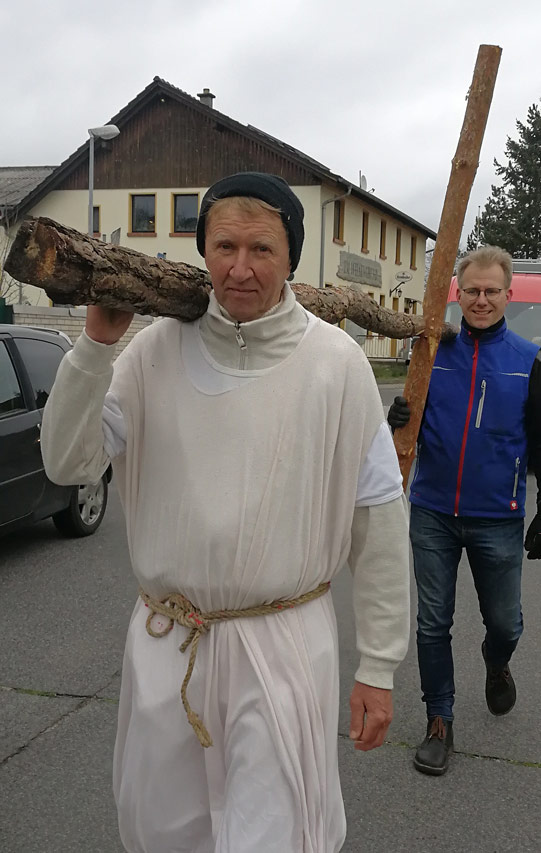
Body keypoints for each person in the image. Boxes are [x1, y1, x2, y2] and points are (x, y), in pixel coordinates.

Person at [41, 172, 410, 852]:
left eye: (261, 249)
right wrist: (95, 347)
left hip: (283, 642)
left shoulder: (337, 366)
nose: (240, 268)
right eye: (224, 246)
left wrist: (378, 667)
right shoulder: (152, 353)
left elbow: (379, 521)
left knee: (274, 832)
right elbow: (68, 463)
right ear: (203, 250)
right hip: (166, 641)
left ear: (291, 257)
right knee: (161, 829)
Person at [387, 245, 541, 777]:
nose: (481, 299)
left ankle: (497, 660)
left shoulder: (527, 360)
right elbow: (405, 423)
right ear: (457, 293)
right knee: (432, 623)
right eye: (472, 290)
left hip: (498, 516)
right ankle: (439, 720)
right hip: (433, 510)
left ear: (509, 294)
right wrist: (396, 415)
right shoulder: (432, 351)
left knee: (505, 622)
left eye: (491, 291)